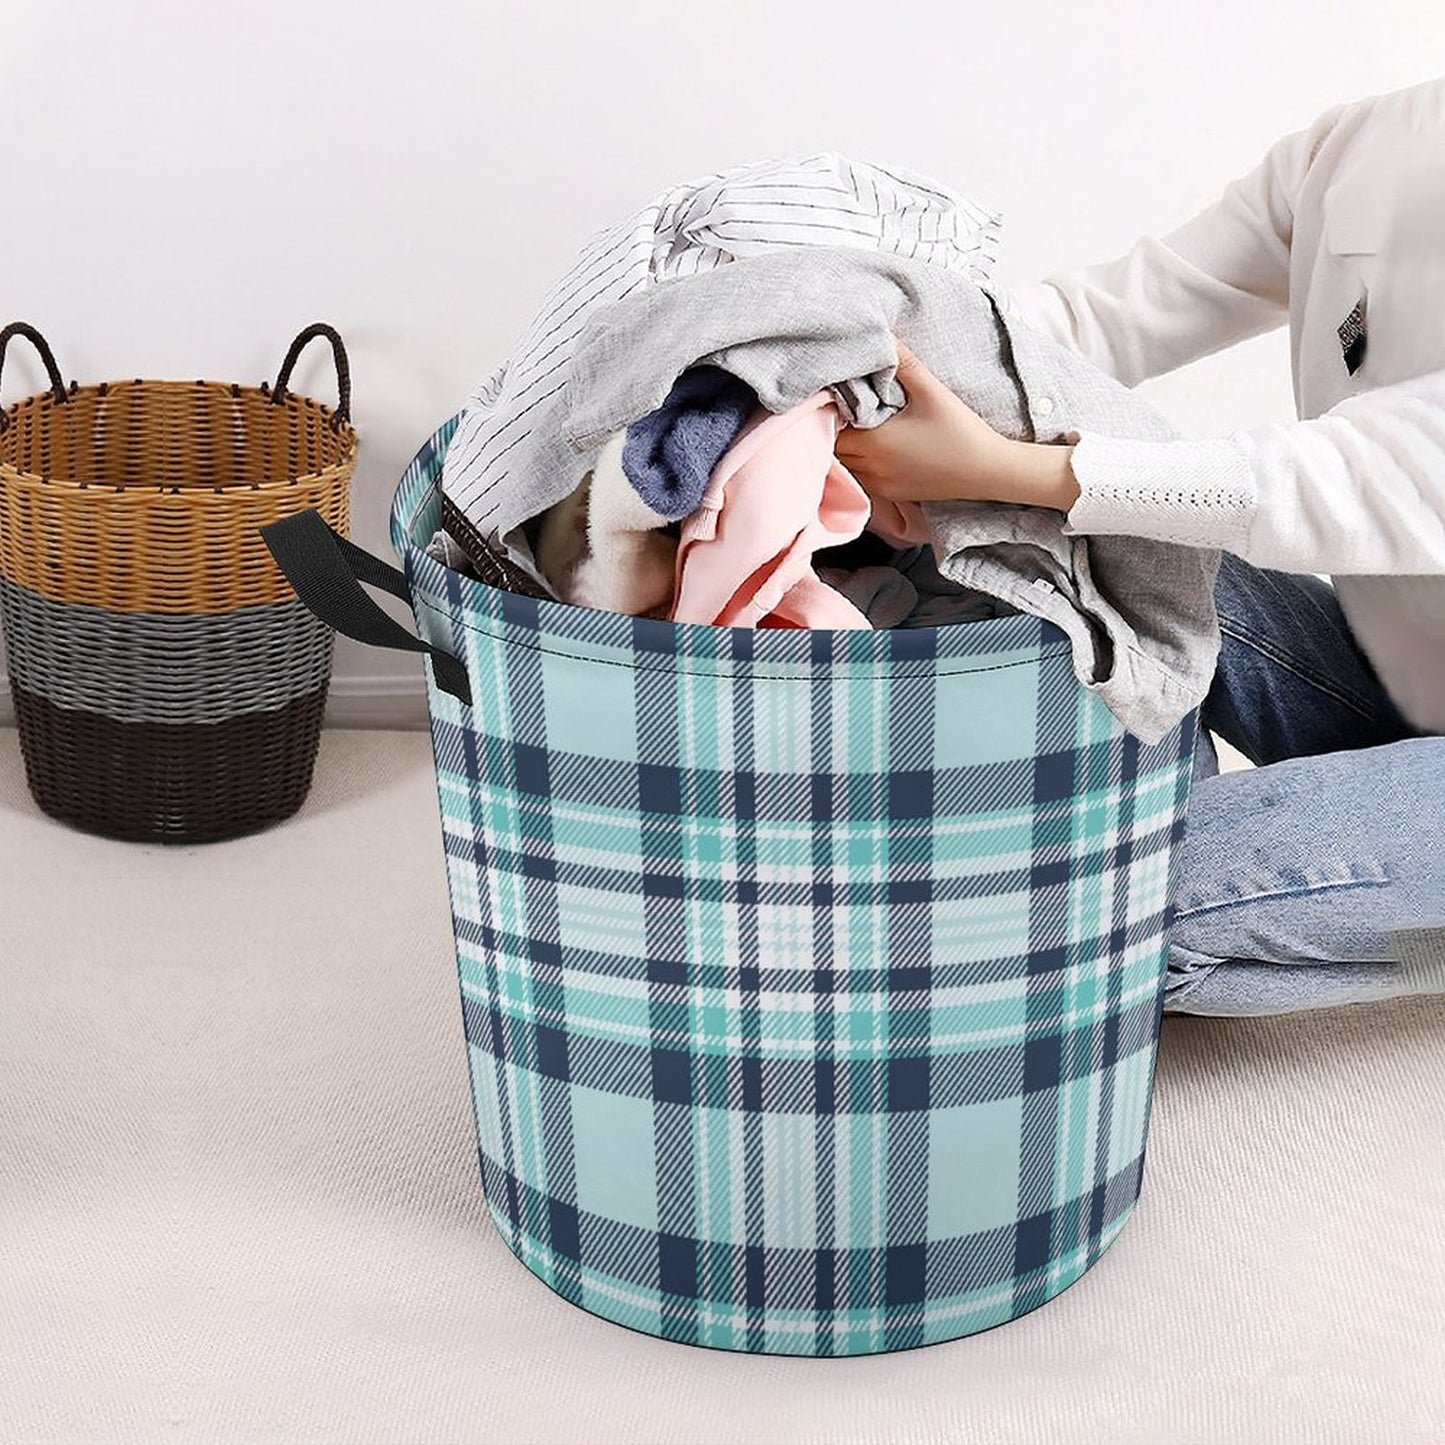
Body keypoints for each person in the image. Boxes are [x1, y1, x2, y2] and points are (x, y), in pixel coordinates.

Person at [835, 75, 1445, 1016]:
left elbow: (1361, 472)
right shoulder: (1366, 145)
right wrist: (861, 369)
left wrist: (1004, 465)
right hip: (1407, 685)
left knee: (1096, 910)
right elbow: (1105, 319)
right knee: (1070, 546)